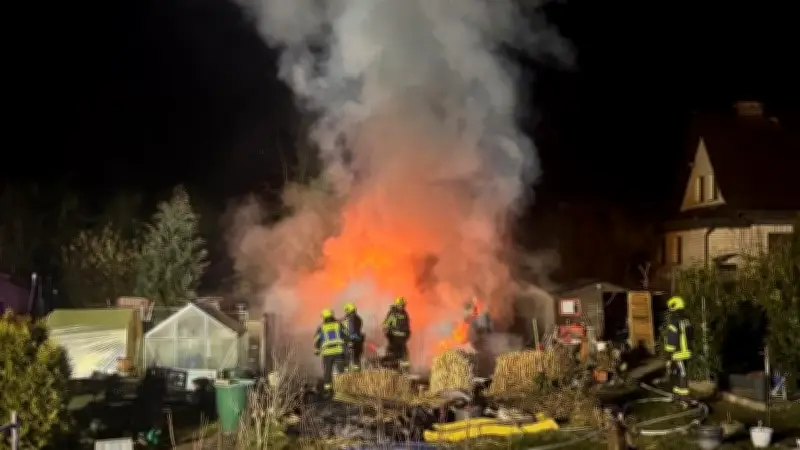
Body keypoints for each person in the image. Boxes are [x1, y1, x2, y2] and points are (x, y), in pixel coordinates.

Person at [664, 295, 693, 400]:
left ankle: (683, 395)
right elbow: (691, 336)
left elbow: (671, 339)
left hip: (677, 352)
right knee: (679, 371)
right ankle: (677, 393)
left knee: (681, 372)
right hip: (686, 352)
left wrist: (668, 356)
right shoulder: (686, 320)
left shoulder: (674, 322)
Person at [314, 308, 347, 394]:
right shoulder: (338, 324)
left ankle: (328, 390)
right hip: (339, 352)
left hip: (327, 353)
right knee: (341, 371)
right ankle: (343, 389)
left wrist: (317, 350)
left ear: (324, 317)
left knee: (327, 371)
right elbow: (346, 335)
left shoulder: (321, 327)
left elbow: (317, 340)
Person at [383, 296, 411, 373]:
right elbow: (386, 325)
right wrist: (389, 335)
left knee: (404, 355)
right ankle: (393, 371)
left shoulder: (405, 314)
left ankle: (405, 372)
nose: (402, 307)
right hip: (394, 338)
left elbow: (407, 326)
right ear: (396, 305)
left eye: (403, 305)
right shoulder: (392, 313)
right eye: (400, 305)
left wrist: (407, 334)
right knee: (393, 354)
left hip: (402, 339)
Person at [341, 302, 365, 372]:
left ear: (348, 310)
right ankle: (356, 375)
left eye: (346, 310)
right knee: (356, 359)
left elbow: (352, 331)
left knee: (348, 358)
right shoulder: (357, 318)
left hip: (350, 341)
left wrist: (350, 341)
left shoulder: (351, 319)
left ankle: (347, 375)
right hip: (357, 341)